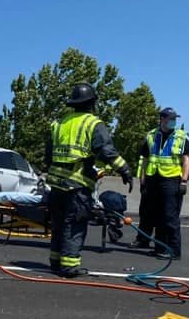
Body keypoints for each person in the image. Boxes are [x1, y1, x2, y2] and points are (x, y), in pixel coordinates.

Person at [44, 82, 133, 277]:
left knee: (58, 224)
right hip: (77, 185)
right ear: (92, 102)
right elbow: (106, 151)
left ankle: (55, 261)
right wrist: (125, 169)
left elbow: (48, 156)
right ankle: (69, 266)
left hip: (56, 186)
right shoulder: (93, 124)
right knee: (74, 225)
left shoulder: (58, 124)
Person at [131, 107, 189, 260]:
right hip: (153, 179)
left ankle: (174, 251)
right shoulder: (151, 136)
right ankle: (159, 248)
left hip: (171, 180)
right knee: (156, 215)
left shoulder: (181, 137)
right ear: (162, 119)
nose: (173, 121)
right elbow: (145, 160)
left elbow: (187, 159)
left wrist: (184, 180)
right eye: (170, 119)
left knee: (170, 217)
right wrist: (142, 180)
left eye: (175, 119)